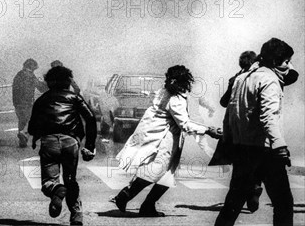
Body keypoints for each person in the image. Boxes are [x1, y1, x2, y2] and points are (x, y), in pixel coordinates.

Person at [110, 65, 221, 217]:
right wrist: (208, 130)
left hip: (167, 138)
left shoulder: (166, 91)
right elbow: (184, 123)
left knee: (167, 175)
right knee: (156, 171)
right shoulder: (175, 98)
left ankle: (146, 205)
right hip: (164, 140)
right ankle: (125, 196)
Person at [215, 38, 298, 226]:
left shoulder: (241, 78)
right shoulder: (270, 80)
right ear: (276, 61)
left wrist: (229, 139)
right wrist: (280, 146)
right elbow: (269, 117)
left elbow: (230, 114)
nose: (288, 66)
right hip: (266, 151)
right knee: (283, 203)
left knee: (233, 203)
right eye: (286, 61)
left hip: (242, 149)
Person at [28, 66, 97, 226]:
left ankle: (56, 190)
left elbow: (32, 127)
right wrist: (90, 145)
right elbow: (91, 118)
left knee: (49, 182)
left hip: (49, 143)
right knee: (71, 179)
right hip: (70, 142)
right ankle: (76, 216)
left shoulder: (42, 100)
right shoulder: (75, 98)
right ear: (68, 81)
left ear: (49, 82)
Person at [210, 50, 261, 212]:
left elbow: (223, 102)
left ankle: (235, 201)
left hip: (234, 128)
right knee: (256, 162)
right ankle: (254, 187)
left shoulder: (236, 79)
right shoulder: (261, 76)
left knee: (239, 166)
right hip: (253, 128)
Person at [12, 59, 48, 147]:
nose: (36, 68)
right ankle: (24, 134)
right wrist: (47, 82)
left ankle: (22, 138)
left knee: (22, 120)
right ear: (31, 66)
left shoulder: (18, 75)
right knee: (31, 120)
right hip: (27, 102)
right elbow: (41, 88)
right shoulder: (31, 76)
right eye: (35, 66)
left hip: (17, 102)